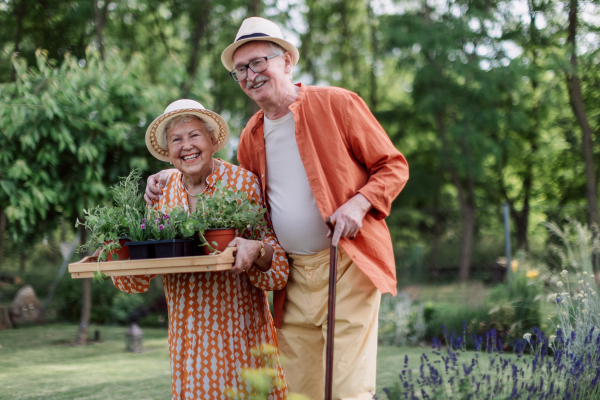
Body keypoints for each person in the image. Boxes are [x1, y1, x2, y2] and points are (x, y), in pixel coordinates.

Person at [146, 18, 409, 400]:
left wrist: (358, 203)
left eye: (258, 62)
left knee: (348, 390)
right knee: (300, 391)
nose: (250, 75)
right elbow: (238, 196)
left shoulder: (337, 103)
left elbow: (393, 165)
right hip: (292, 277)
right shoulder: (252, 135)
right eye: (241, 70)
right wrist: (165, 174)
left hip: (346, 263)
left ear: (286, 61)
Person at [114, 99, 288, 400]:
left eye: (194, 135)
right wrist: (118, 249)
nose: (186, 146)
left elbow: (278, 269)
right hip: (188, 342)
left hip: (239, 335)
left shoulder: (242, 183)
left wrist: (256, 248)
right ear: (168, 152)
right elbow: (139, 277)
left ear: (211, 140)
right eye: (176, 139)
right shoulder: (161, 195)